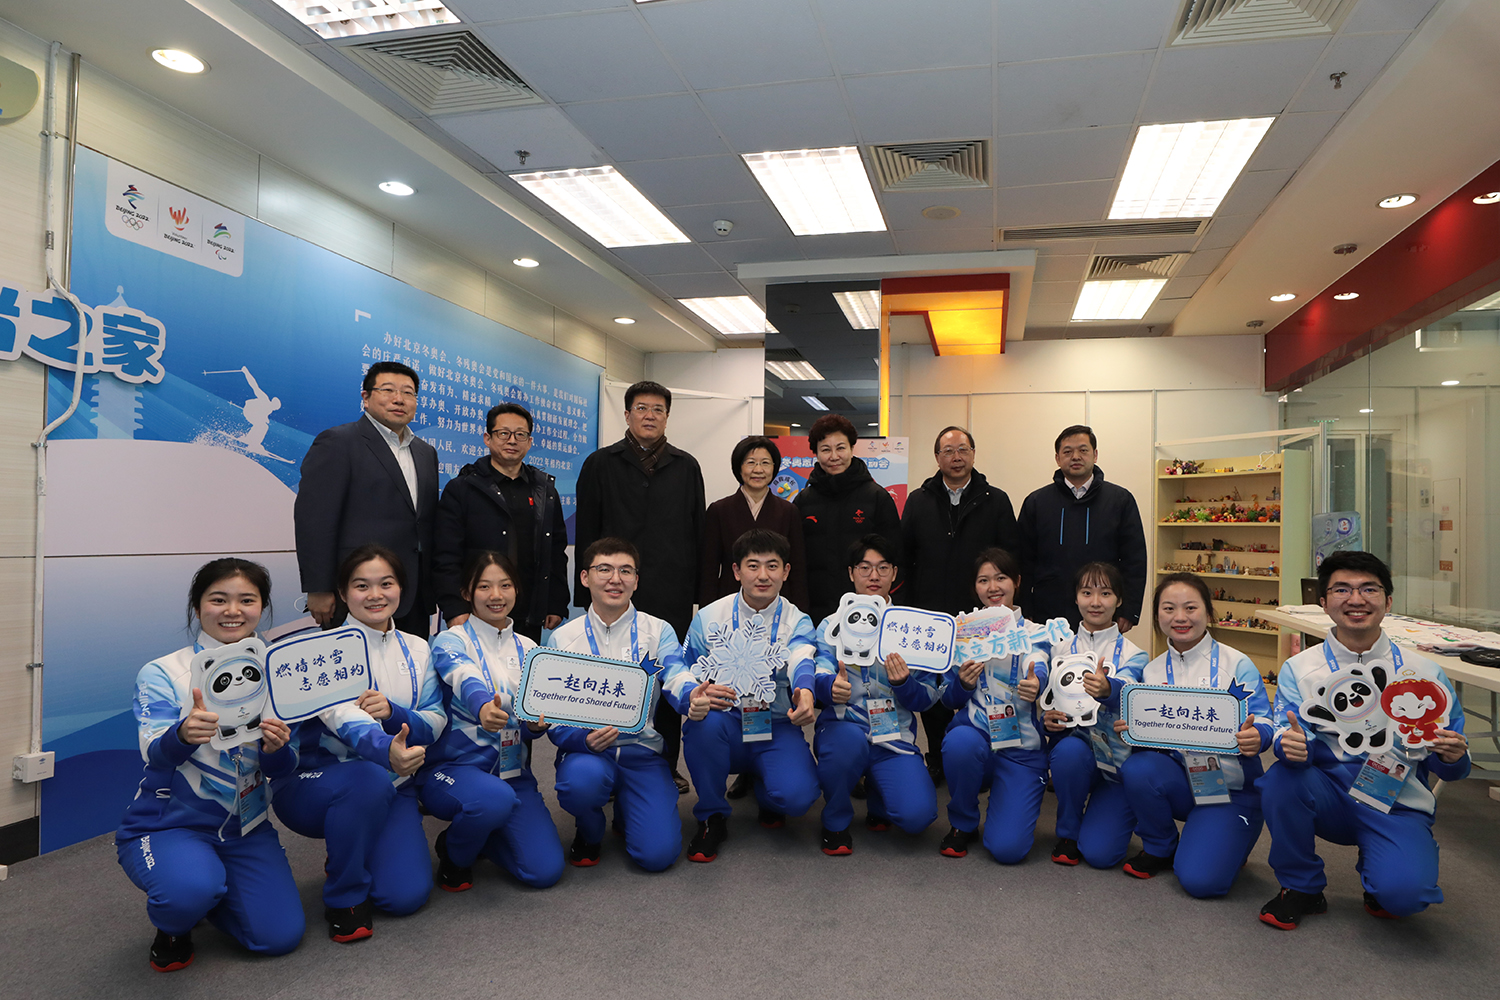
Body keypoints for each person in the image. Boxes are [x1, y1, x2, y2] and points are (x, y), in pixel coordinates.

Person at [1258, 551, 1471, 929]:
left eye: (1369, 589)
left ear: (1388, 601)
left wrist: (1453, 756)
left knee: (1404, 897)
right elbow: (1287, 737)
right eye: (1342, 589)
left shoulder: (1424, 673)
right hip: (1328, 793)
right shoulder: (1300, 668)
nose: (1356, 599)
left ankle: (1383, 868)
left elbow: (1451, 764)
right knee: (1280, 780)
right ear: (1323, 602)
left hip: (1395, 798)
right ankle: (1301, 886)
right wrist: (1289, 747)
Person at [116, 559, 303, 971]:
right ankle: (175, 923)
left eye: (247, 600)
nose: (233, 611)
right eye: (218, 599)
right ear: (197, 606)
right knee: (186, 893)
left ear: (262, 606)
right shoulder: (163, 672)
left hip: (246, 827)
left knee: (280, 937)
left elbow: (285, 767)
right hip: (170, 825)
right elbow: (153, 752)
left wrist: (276, 748)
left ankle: (212, 893)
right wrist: (182, 734)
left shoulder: (279, 670)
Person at [272, 544, 446, 941]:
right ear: (342, 592)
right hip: (320, 783)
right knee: (367, 779)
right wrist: (386, 749)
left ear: (401, 588)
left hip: (394, 786)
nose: (375, 595)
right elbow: (343, 718)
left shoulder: (418, 648)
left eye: (386, 583)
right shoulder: (321, 651)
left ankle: (356, 841)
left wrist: (395, 714)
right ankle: (344, 894)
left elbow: (435, 721)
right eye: (361, 585)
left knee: (405, 897)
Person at [574, 380, 705, 791]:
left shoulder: (686, 466)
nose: (650, 416)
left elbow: (697, 534)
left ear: (667, 416)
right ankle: (604, 758)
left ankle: (665, 763)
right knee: (608, 674)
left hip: (670, 590)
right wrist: (585, 593)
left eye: (658, 409)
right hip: (612, 590)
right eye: (642, 408)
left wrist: (696, 596)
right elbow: (587, 530)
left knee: (667, 675)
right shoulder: (600, 464)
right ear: (627, 414)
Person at [549, 538, 701, 871]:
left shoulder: (657, 630)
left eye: (626, 571)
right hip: (588, 754)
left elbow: (676, 673)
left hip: (641, 753)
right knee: (581, 784)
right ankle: (589, 830)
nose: (615, 579)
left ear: (636, 580)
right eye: (604, 569)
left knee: (657, 856)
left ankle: (627, 811)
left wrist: (692, 695)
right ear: (585, 577)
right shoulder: (563, 638)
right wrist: (583, 740)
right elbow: (554, 717)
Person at [1115, 572, 1271, 897]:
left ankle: (1230, 835)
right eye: (1168, 608)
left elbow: (1264, 720)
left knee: (1202, 882)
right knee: (1138, 768)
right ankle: (1161, 846)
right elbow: (1150, 736)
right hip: (1183, 781)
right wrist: (1132, 731)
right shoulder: (1151, 672)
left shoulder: (1236, 664)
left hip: (1231, 789)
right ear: (1157, 615)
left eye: (1190, 607)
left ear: (1208, 612)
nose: (1180, 617)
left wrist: (1257, 736)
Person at [419, 551, 564, 893]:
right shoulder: (451, 640)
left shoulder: (530, 648)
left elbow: (530, 717)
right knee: (491, 801)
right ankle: (454, 853)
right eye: (484, 586)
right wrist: (483, 705)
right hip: (454, 770)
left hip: (513, 775)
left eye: (505, 585)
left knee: (544, 872)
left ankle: (485, 831)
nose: (496, 595)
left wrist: (535, 727)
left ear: (517, 590)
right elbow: (463, 674)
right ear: (467, 592)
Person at [680, 529, 820, 862]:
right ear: (736, 571)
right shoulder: (708, 617)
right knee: (702, 726)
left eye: (772, 566)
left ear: (786, 571)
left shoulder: (797, 619)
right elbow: (685, 670)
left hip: (775, 724)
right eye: (753, 566)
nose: (763, 575)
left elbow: (802, 658)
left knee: (797, 798)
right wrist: (694, 694)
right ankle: (712, 815)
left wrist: (805, 690)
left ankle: (764, 785)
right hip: (725, 721)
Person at [900, 425, 1020, 786]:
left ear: (973, 454)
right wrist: (907, 608)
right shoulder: (919, 500)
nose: (956, 457)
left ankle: (981, 758)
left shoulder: (995, 500)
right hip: (931, 614)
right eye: (948, 451)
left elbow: (1009, 557)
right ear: (937, 457)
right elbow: (905, 557)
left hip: (979, 613)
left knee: (979, 683)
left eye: (963, 449)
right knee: (934, 690)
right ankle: (938, 757)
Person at [812, 535, 938, 856]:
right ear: (851, 573)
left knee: (917, 817)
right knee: (847, 744)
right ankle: (835, 819)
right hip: (844, 729)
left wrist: (904, 683)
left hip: (893, 737)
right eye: (864, 567)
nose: (874, 576)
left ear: (894, 573)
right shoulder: (830, 625)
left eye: (883, 568)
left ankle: (879, 798)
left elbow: (926, 699)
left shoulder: (913, 629)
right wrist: (830, 688)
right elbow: (818, 674)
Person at [295, 361, 439, 637]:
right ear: (366, 397)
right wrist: (319, 587)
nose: (399, 399)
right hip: (356, 592)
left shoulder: (425, 453)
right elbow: (314, 520)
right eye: (388, 390)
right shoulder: (338, 442)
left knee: (411, 662)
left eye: (408, 392)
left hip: (413, 595)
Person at [937, 548, 1055, 863]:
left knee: (1008, 849)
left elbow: (1039, 661)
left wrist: (1037, 683)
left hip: (1021, 747)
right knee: (959, 743)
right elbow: (947, 698)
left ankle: (1005, 803)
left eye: (1001, 578)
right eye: (983, 580)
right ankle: (963, 822)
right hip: (976, 737)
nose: (993, 587)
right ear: (975, 587)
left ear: (1016, 581)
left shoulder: (1035, 632)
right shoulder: (962, 634)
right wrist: (963, 684)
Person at [433, 402, 569, 643]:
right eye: (503, 433)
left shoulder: (544, 490)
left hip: (527, 611)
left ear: (529, 442)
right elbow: (446, 554)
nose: (512, 440)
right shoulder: (462, 489)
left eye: (520, 434)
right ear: (488, 438)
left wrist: (556, 603)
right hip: (476, 611)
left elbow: (556, 551)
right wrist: (454, 607)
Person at [1042, 562, 1147, 869]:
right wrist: (1047, 720)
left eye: (1106, 593)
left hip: (1117, 762)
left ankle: (1116, 810)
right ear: (1076, 598)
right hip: (1077, 755)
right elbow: (1047, 703)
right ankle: (1068, 832)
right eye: (1087, 592)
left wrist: (1108, 688)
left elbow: (1127, 686)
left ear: (1119, 599)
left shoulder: (1136, 654)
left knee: (1102, 855)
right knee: (1068, 752)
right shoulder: (1058, 650)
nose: (1096, 602)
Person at [1015, 425, 1147, 632]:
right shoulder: (1037, 502)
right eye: (1067, 451)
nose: (1075, 456)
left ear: (1095, 455)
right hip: (1047, 612)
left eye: (1083, 450)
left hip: (1102, 611)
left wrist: (1129, 610)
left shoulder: (1120, 500)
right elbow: (1023, 561)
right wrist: (1025, 607)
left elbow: (1135, 561)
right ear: (1057, 458)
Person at [793, 413, 900, 625]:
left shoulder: (877, 497)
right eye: (826, 449)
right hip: (815, 613)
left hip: (867, 615)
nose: (834, 456)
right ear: (816, 454)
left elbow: (895, 556)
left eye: (841, 448)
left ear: (852, 448)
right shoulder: (804, 501)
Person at [700, 435, 808, 611]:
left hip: (778, 602)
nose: (758, 469)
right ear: (739, 467)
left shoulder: (789, 511)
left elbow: (797, 568)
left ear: (774, 467)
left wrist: (800, 612)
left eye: (765, 463)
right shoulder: (719, 510)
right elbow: (709, 570)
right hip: (730, 602)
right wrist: (707, 612)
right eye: (751, 463)